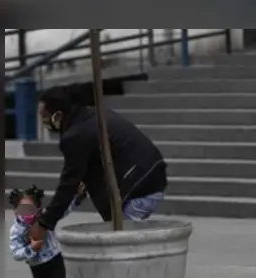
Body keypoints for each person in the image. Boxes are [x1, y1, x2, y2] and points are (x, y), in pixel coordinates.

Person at [26, 86, 168, 246]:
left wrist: (44, 224)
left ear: (57, 115)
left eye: (43, 116)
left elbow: (68, 184)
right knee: (122, 241)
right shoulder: (94, 115)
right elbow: (78, 180)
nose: (43, 121)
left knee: (122, 245)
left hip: (139, 187)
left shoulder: (76, 135)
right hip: (151, 175)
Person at [8, 185, 84, 278]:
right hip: (36, 265)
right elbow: (16, 253)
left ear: (38, 208)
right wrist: (31, 249)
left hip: (54, 258)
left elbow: (63, 211)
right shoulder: (16, 230)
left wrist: (77, 197)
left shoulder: (45, 218)